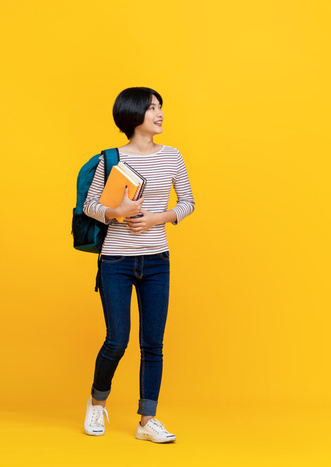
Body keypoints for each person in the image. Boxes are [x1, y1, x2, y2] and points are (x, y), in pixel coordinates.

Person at [82, 87, 195, 443]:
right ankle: (97, 402)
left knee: (153, 343)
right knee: (117, 340)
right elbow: (90, 206)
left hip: (157, 261)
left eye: (160, 107)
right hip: (115, 260)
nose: (159, 113)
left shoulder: (173, 156)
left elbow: (188, 201)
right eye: (151, 108)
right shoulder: (111, 160)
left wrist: (157, 218)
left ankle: (147, 420)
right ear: (133, 116)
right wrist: (116, 212)